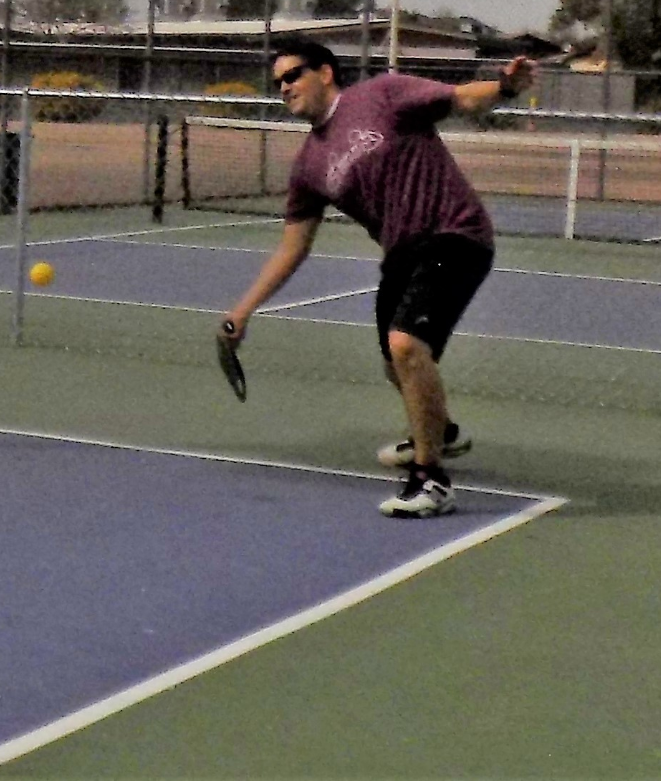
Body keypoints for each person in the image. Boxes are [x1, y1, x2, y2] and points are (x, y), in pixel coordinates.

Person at [220, 39, 534, 518]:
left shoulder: (382, 95)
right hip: (402, 253)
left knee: (406, 345)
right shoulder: (308, 165)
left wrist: (505, 87)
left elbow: (461, 99)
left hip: (455, 233)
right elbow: (293, 246)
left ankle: (431, 482)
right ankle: (443, 433)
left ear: (325, 73)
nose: (283, 87)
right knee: (394, 362)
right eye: (278, 82)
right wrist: (243, 311)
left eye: (293, 75)